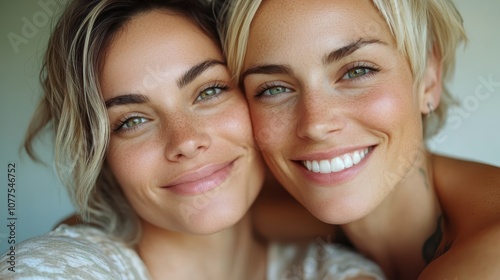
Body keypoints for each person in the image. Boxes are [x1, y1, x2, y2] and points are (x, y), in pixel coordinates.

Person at [0, 0, 386, 279]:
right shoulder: (56, 267)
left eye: (208, 92)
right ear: (100, 155)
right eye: (132, 120)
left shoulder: (336, 270)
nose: (184, 140)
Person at [217, 0, 500, 279]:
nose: (316, 124)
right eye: (275, 89)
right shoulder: (261, 212)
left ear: (428, 78)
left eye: (357, 71)